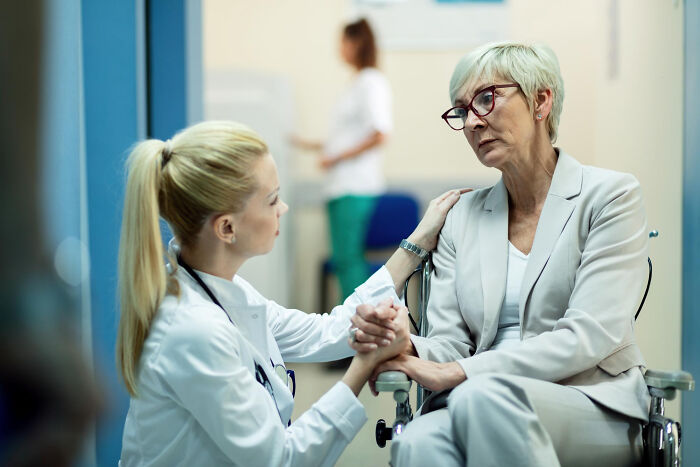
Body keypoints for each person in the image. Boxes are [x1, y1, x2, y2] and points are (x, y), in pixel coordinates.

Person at [361, 42, 650, 467]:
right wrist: (408, 350)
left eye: (486, 99)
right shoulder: (463, 217)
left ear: (540, 100)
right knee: (417, 444)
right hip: (474, 398)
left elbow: (588, 336)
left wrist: (462, 374)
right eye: (462, 111)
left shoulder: (610, 196)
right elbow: (452, 342)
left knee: (481, 396)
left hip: (589, 400)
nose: (473, 123)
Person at [116, 120, 465, 466]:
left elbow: (324, 331)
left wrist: (416, 244)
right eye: (272, 200)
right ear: (226, 227)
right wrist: (365, 364)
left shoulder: (222, 290)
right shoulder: (193, 329)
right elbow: (281, 459)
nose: (283, 208)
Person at [294, 18, 393, 301]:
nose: (339, 48)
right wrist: (306, 144)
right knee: (345, 261)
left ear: (357, 43)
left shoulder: (371, 82)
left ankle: (359, 335)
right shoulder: (357, 83)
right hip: (342, 187)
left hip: (354, 187)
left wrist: (334, 158)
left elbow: (379, 134)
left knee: (348, 261)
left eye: (343, 42)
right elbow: (346, 136)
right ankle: (357, 332)